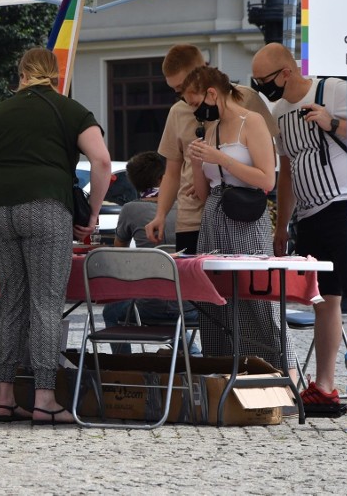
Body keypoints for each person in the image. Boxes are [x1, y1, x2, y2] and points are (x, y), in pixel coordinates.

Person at [0, 47, 111, 425]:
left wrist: (0, 197)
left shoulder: (0, 111)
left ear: (22, 73)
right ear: (55, 74)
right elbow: (102, 161)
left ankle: (4, 396)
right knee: (46, 302)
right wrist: (92, 213)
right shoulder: (70, 110)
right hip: (47, 207)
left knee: (11, 300)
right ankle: (45, 397)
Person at [251, 42, 347, 415]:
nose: (261, 87)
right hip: (311, 215)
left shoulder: (331, 89)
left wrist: (332, 122)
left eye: (263, 80)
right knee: (324, 300)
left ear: (286, 73)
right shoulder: (279, 112)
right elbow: (286, 172)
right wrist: (282, 224)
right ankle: (324, 386)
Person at [182, 66, 297, 378]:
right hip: (215, 217)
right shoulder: (211, 128)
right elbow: (205, 192)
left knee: (259, 300)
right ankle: (223, 373)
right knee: (217, 302)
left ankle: (284, 374)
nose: (194, 110)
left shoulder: (252, 121)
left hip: (246, 217)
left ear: (211, 94)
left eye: (194, 103)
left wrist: (222, 159)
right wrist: (196, 162)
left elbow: (266, 179)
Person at [145, 44, 276, 254]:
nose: (181, 96)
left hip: (242, 211)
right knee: (205, 281)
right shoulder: (182, 113)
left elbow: (269, 169)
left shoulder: (246, 102)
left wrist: (221, 161)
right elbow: (172, 171)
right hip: (200, 215)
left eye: (183, 86)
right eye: (177, 91)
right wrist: (161, 213)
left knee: (241, 282)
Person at [101, 151, 200, 355]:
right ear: (163, 178)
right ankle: (192, 354)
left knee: (111, 311)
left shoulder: (131, 210)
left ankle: (124, 367)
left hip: (148, 306)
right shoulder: (189, 207)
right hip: (193, 306)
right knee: (175, 304)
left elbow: (119, 257)